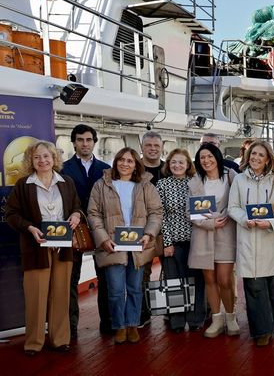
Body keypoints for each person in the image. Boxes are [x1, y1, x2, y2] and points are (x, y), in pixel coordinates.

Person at [6, 141, 82, 356]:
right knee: (36, 296)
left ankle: (59, 339)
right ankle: (34, 342)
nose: (42, 161)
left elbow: (76, 206)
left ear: (54, 158)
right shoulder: (23, 185)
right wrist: (30, 228)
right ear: (31, 160)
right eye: (37, 157)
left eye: (46, 156)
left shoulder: (66, 182)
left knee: (61, 295)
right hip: (36, 247)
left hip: (63, 247)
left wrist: (76, 215)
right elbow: (11, 214)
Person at [87, 147, 162, 345]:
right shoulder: (101, 185)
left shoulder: (146, 185)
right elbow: (93, 213)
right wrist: (103, 238)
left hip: (139, 245)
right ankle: (119, 326)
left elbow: (156, 212)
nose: (125, 164)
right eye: (121, 159)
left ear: (136, 164)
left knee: (135, 288)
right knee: (115, 289)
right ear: (115, 161)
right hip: (112, 244)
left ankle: (132, 324)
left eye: (130, 161)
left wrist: (148, 233)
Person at [228, 140, 274, 346]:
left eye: (260, 155)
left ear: (267, 159)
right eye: (253, 154)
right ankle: (261, 331)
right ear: (248, 156)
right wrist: (244, 220)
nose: (256, 158)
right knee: (253, 285)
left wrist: (270, 223)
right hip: (248, 237)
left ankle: (270, 324)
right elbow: (233, 207)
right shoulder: (239, 180)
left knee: (270, 286)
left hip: (269, 239)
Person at [60, 124, 110, 336]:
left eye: (89, 140)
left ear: (94, 142)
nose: (85, 144)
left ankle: (107, 323)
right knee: (71, 279)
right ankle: (70, 327)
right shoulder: (62, 169)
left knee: (106, 278)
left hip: (102, 229)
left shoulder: (106, 169)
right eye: (80, 140)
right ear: (74, 143)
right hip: (74, 229)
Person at [188, 143, 239, 338]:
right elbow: (189, 212)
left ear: (217, 157)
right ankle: (217, 319)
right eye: (202, 158)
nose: (206, 160)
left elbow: (240, 201)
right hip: (203, 235)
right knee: (209, 279)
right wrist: (210, 223)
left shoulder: (230, 176)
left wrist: (226, 215)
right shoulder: (194, 181)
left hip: (226, 235)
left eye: (209, 156)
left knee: (224, 279)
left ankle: (231, 317)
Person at [155, 148, 206, 332]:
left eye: (181, 162)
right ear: (168, 164)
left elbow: (203, 209)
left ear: (188, 165)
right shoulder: (161, 184)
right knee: (174, 282)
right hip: (173, 242)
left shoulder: (196, 183)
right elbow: (160, 215)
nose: (177, 165)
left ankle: (195, 320)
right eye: (173, 162)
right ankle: (177, 322)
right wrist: (167, 242)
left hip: (196, 240)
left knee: (196, 281)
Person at [138, 131, 164, 328]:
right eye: (149, 145)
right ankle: (143, 313)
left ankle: (171, 312)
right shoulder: (133, 169)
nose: (153, 149)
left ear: (162, 147)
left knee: (171, 272)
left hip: (167, 230)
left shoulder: (170, 168)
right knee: (142, 273)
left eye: (156, 145)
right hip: (142, 232)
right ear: (142, 147)